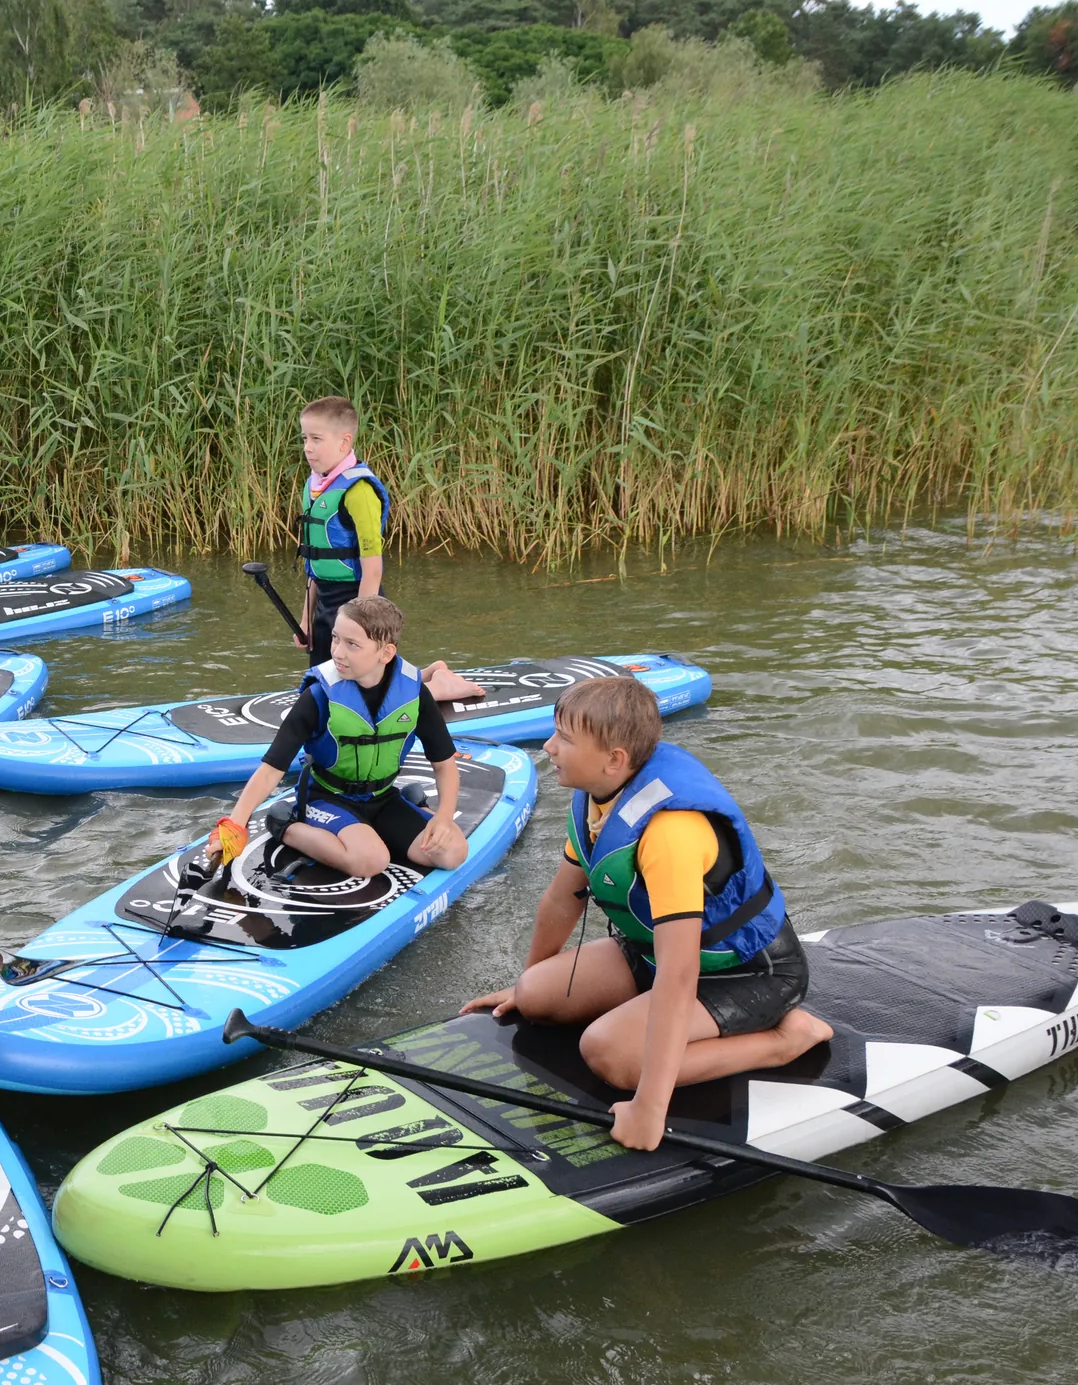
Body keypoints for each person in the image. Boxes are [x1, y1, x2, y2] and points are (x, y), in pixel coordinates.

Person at [460, 676, 827, 1151]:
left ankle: (784, 1041)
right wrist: (530, 974)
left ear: (614, 759)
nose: (548, 747)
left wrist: (650, 1107)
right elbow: (561, 898)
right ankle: (624, 1015)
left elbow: (680, 974)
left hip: (747, 972)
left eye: (565, 739)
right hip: (650, 953)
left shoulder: (670, 833)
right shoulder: (602, 798)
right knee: (535, 994)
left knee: (611, 1056)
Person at [204, 595, 466, 881]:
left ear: (386, 653)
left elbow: (444, 764)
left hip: (382, 797)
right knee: (371, 860)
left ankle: (399, 814)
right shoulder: (318, 697)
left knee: (453, 851)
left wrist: (443, 818)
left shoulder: (414, 693)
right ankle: (285, 825)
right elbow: (270, 770)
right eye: (335, 639)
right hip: (326, 798)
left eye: (352, 644)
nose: (338, 652)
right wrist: (234, 826)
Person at [293, 396, 483, 699]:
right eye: (305, 438)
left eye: (316, 439)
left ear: (345, 442)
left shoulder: (359, 492)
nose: (307, 447)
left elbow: (373, 570)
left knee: (366, 697)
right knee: (328, 692)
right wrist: (306, 619)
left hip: (360, 604)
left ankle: (437, 687)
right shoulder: (316, 486)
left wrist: (355, 632)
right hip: (326, 607)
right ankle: (428, 673)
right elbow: (316, 564)